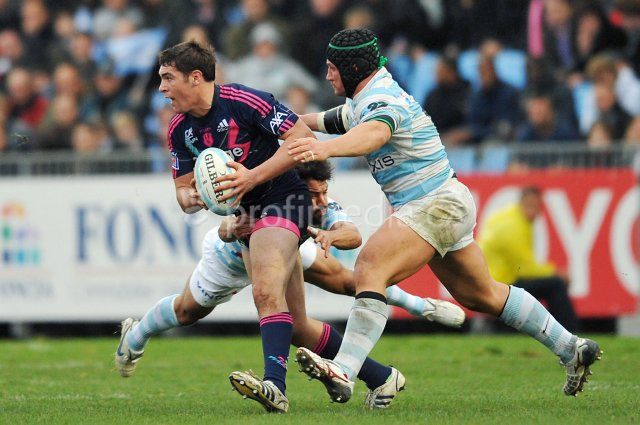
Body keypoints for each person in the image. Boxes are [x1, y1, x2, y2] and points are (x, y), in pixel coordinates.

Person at [287, 28, 602, 408]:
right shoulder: (365, 97)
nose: (327, 76)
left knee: (370, 267)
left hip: (432, 202)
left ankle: (344, 370)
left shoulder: (381, 99)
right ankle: (571, 347)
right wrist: (285, 121)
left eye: (332, 68)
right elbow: (337, 118)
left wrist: (322, 150)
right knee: (481, 294)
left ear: (352, 68)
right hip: (444, 200)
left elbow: (373, 135)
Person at [114, 161, 464, 407]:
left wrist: (330, 234)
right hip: (231, 260)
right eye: (314, 194)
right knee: (187, 311)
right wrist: (229, 228)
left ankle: (413, 316)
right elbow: (224, 225)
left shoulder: (319, 205)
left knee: (343, 284)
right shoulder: (263, 194)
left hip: (287, 246)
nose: (322, 201)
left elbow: (353, 234)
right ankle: (136, 334)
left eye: (324, 192)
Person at [143, 40, 316, 413]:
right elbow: (182, 192)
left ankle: (275, 388)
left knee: (266, 292)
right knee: (299, 326)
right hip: (248, 217)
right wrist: (195, 197)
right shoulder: (179, 129)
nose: (161, 88)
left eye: (168, 78)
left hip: (286, 199)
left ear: (195, 77)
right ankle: (379, 375)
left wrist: (251, 177)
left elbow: (304, 137)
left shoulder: (245, 101)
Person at [478, 187, 579, 332]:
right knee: (556, 285)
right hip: (502, 284)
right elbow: (524, 270)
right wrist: (555, 272)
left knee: (548, 284)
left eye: (537, 207)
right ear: (521, 203)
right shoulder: (514, 226)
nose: (533, 211)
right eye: (530, 206)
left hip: (492, 282)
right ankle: (569, 332)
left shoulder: (507, 217)